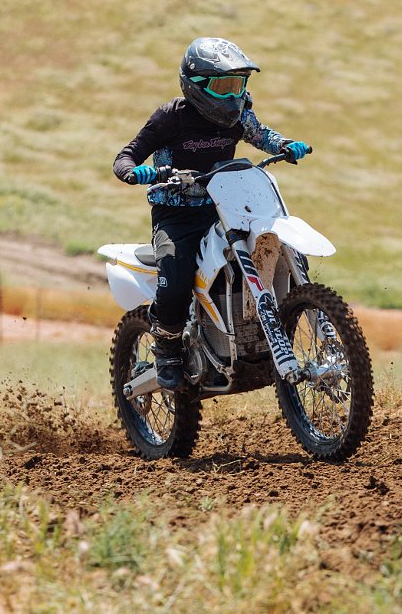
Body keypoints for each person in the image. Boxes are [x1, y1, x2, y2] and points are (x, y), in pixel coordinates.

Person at [112, 37, 311, 390]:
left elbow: (258, 133)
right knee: (175, 280)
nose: (234, 94)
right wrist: (135, 171)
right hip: (178, 216)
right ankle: (168, 349)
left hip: (230, 207)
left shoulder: (238, 111)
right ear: (196, 85)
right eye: (223, 85)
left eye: (238, 84)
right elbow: (127, 155)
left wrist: (282, 145)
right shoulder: (171, 117)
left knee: (275, 240)